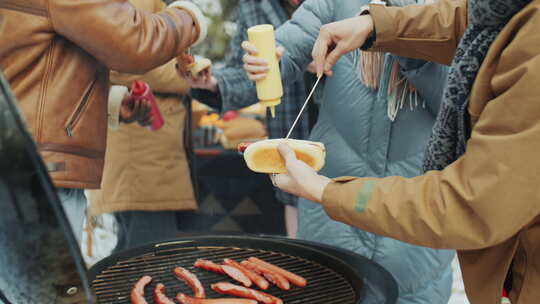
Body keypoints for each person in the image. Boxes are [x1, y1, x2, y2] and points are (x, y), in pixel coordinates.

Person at [273, 0, 540, 303]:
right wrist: (376, 25)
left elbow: (475, 202)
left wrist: (326, 190)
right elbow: (465, 17)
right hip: (350, 226)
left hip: (421, 228)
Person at [241, 0, 455, 303]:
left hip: (416, 212)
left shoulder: (450, 9)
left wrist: (396, 26)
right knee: (327, 288)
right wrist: (270, 61)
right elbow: (290, 45)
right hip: (332, 204)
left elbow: (459, 102)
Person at [0, 0, 207, 243]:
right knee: (41, 277)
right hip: (40, 169)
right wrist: (190, 15)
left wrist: (109, 101)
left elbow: (37, 55)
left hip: (25, 157)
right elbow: (135, 41)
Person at [178, 0, 314, 238]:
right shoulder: (253, 4)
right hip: (290, 147)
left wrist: (318, 54)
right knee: (304, 251)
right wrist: (211, 82)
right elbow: (244, 73)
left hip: (345, 146)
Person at [86, 0, 197, 254]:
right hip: (140, 152)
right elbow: (122, 60)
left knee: (133, 251)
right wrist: (187, 77)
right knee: (151, 257)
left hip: (150, 149)